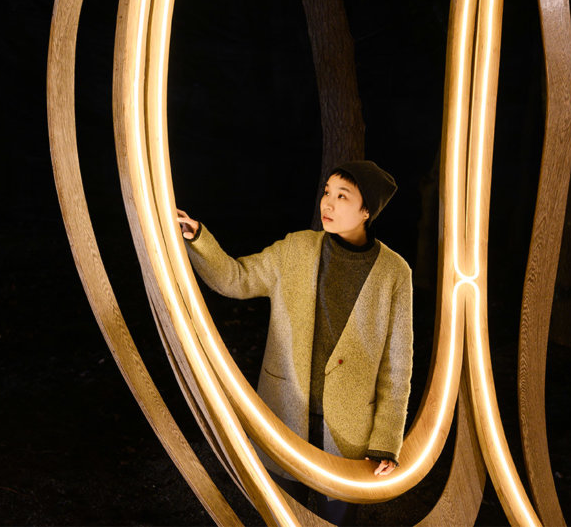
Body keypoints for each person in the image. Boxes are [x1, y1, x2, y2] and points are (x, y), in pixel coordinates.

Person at [176, 160, 412, 525]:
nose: (328, 204)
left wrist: (386, 441)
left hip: (348, 434)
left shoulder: (394, 273)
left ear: (367, 211)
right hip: (285, 417)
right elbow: (236, 279)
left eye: (342, 196)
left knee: (334, 519)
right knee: (281, 516)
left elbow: (397, 368)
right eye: (327, 192)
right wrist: (197, 238)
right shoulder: (297, 249)